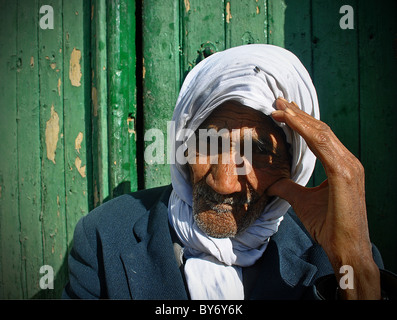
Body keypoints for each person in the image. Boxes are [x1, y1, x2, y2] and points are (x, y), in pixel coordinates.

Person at [62, 44, 396, 300]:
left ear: (294, 164)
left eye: (259, 151)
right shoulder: (105, 236)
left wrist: (353, 260)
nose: (223, 182)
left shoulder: (337, 258)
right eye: (209, 143)